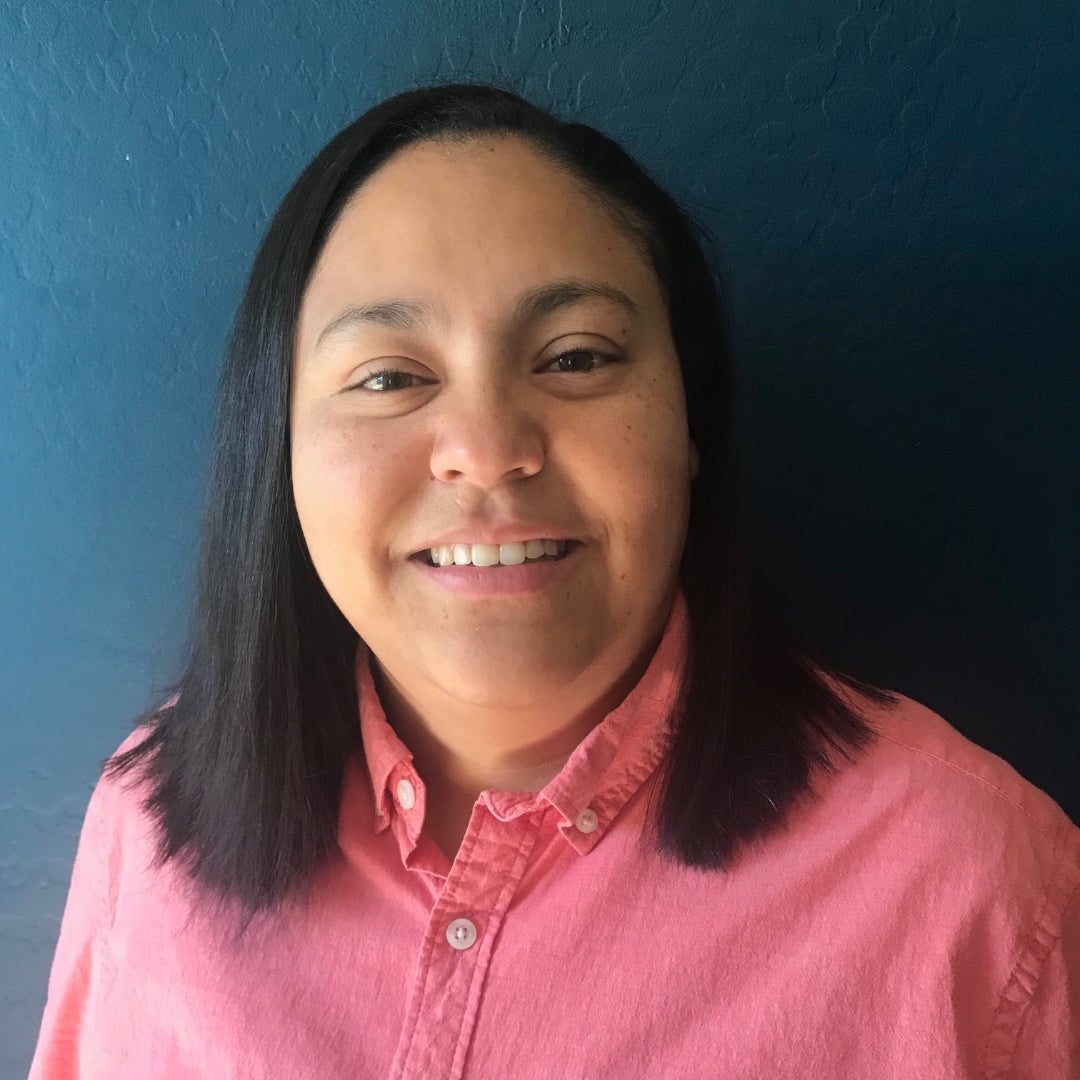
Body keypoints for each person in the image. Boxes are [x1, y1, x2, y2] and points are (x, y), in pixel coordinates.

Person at [30, 84, 1078, 1080]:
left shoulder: (975, 889)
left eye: (575, 357)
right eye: (390, 376)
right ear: (280, 447)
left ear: (691, 421)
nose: (488, 451)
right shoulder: (149, 829)